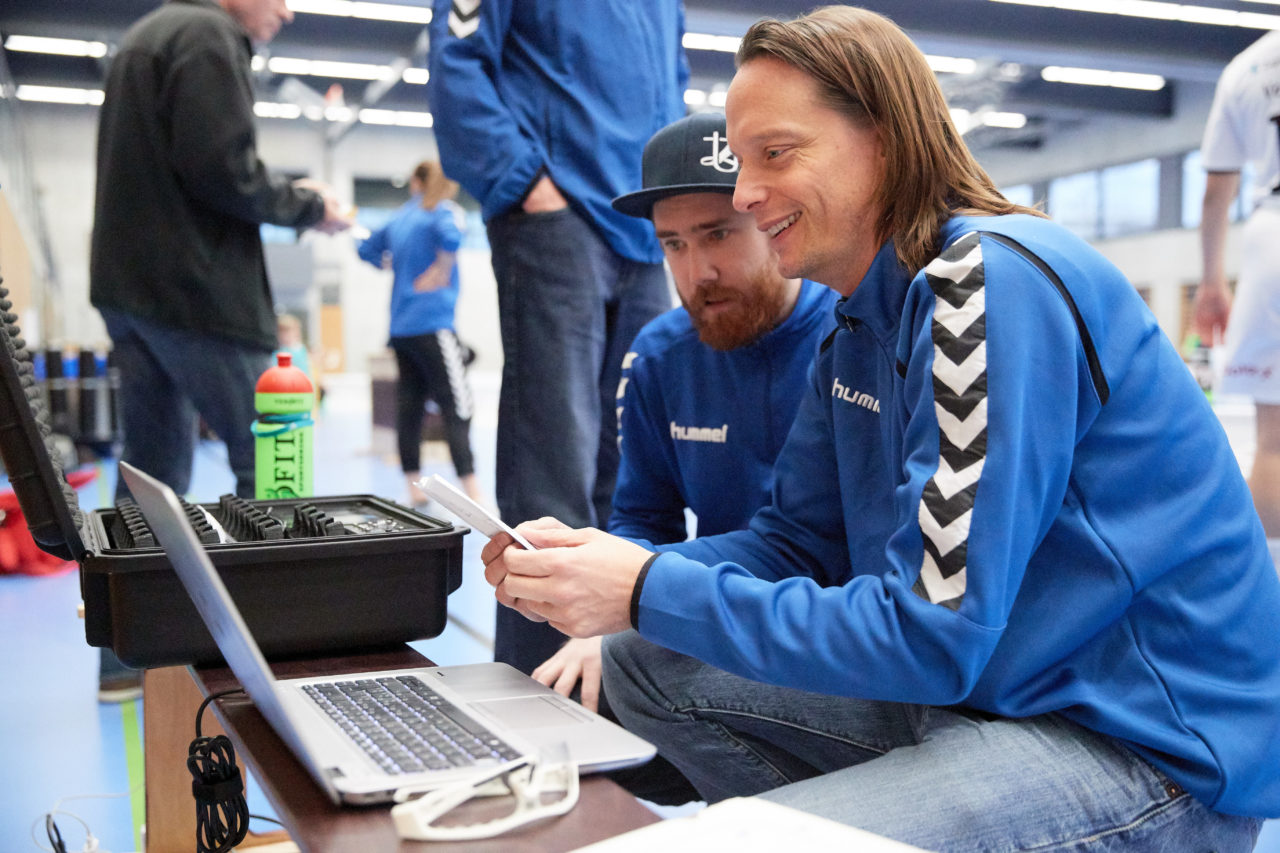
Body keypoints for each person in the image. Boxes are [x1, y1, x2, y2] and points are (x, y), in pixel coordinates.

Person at [481, 7, 1280, 849]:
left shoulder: (986, 284)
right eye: (744, 163)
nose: (748, 193)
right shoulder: (860, 320)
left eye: (775, 155)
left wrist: (647, 590)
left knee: (734, 829)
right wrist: (618, 573)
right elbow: (793, 542)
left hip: (1144, 750)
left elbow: (930, 637)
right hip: (991, 697)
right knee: (648, 661)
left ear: (887, 140)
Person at [531, 112, 837, 715]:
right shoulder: (659, 358)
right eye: (674, 245)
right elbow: (644, 518)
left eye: (718, 234)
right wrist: (610, 615)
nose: (698, 274)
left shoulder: (849, 337)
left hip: (831, 632)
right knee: (582, 695)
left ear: (772, 221)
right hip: (714, 617)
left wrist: (642, 589)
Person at [89, 0, 349, 701]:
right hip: (195, 291)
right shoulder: (208, 37)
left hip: (132, 289)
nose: (287, 11)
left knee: (150, 475)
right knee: (272, 457)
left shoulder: (147, 34)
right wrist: (306, 203)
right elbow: (222, 169)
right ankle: (266, 651)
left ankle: (127, 660)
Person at [427, 0, 688, 674]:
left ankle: (617, 686)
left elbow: (670, 86)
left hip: (642, 225)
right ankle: (539, 697)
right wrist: (523, 183)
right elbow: (458, 56)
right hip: (556, 217)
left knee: (633, 480)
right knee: (553, 478)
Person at [1192, 30, 1280, 542]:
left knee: (1273, 443)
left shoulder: (1248, 67)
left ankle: (1268, 599)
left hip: (1271, 239)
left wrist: (1211, 282)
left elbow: (1215, 195)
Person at [356, 160, 484, 507]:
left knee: (409, 408)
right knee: (457, 406)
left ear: (415, 182)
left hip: (400, 329)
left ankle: (413, 488)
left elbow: (365, 248)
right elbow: (453, 238)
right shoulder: (445, 211)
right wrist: (441, 270)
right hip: (433, 323)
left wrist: (386, 264)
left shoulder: (399, 218)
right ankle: (473, 493)